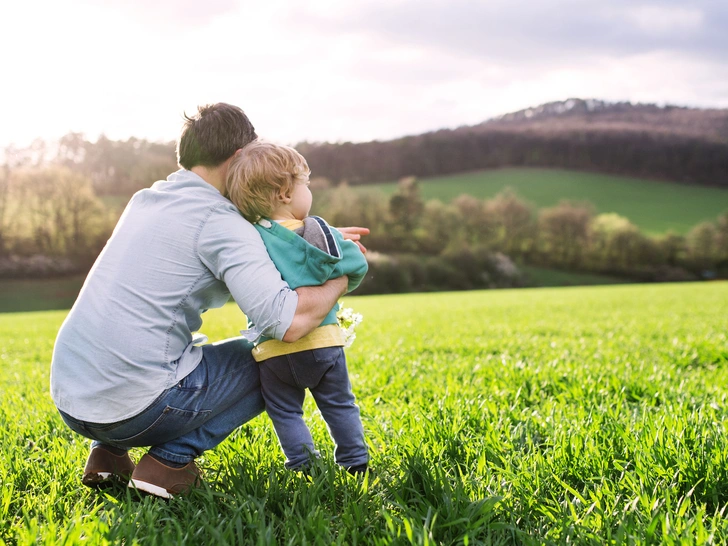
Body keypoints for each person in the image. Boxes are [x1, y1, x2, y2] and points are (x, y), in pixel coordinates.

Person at [49, 103, 369, 499]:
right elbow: (288, 324)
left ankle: (108, 457)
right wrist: (342, 273)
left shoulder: (147, 200)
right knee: (274, 359)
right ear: (239, 158)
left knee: (148, 344)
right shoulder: (221, 221)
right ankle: (168, 463)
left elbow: (257, 244)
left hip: (71, 399)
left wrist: (305, 234)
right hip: (132, 409)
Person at [226, 141, 369, 474]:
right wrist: (340, 283)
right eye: (306, 184)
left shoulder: (248, 240)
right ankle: (355, 462)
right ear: (285, 193)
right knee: (339, 405)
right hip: (323, 342)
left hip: (272, 351)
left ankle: (304, 466)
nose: (310, 192)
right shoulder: (320, 233)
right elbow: (356, 266)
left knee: (286, 413)